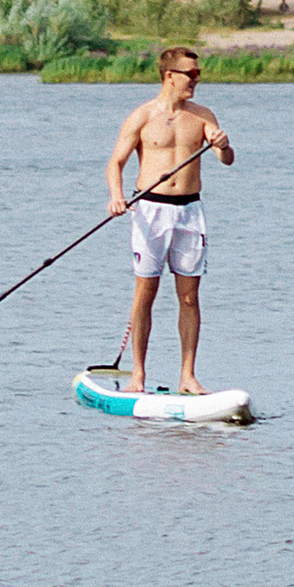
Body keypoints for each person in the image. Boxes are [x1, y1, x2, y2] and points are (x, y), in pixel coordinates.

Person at [104, 47, 233, 398]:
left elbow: (227, 160)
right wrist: (116, 197)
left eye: (198, 74)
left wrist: (223, 144)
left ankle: (188, 377)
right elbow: (115, 163)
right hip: (150, 211)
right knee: (145, 294)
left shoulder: (203, 116)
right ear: (169, 76)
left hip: (190, 211)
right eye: (191, 74)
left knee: (189, 298)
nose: (197, 80)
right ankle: (138, 377)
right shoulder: (142, 117)